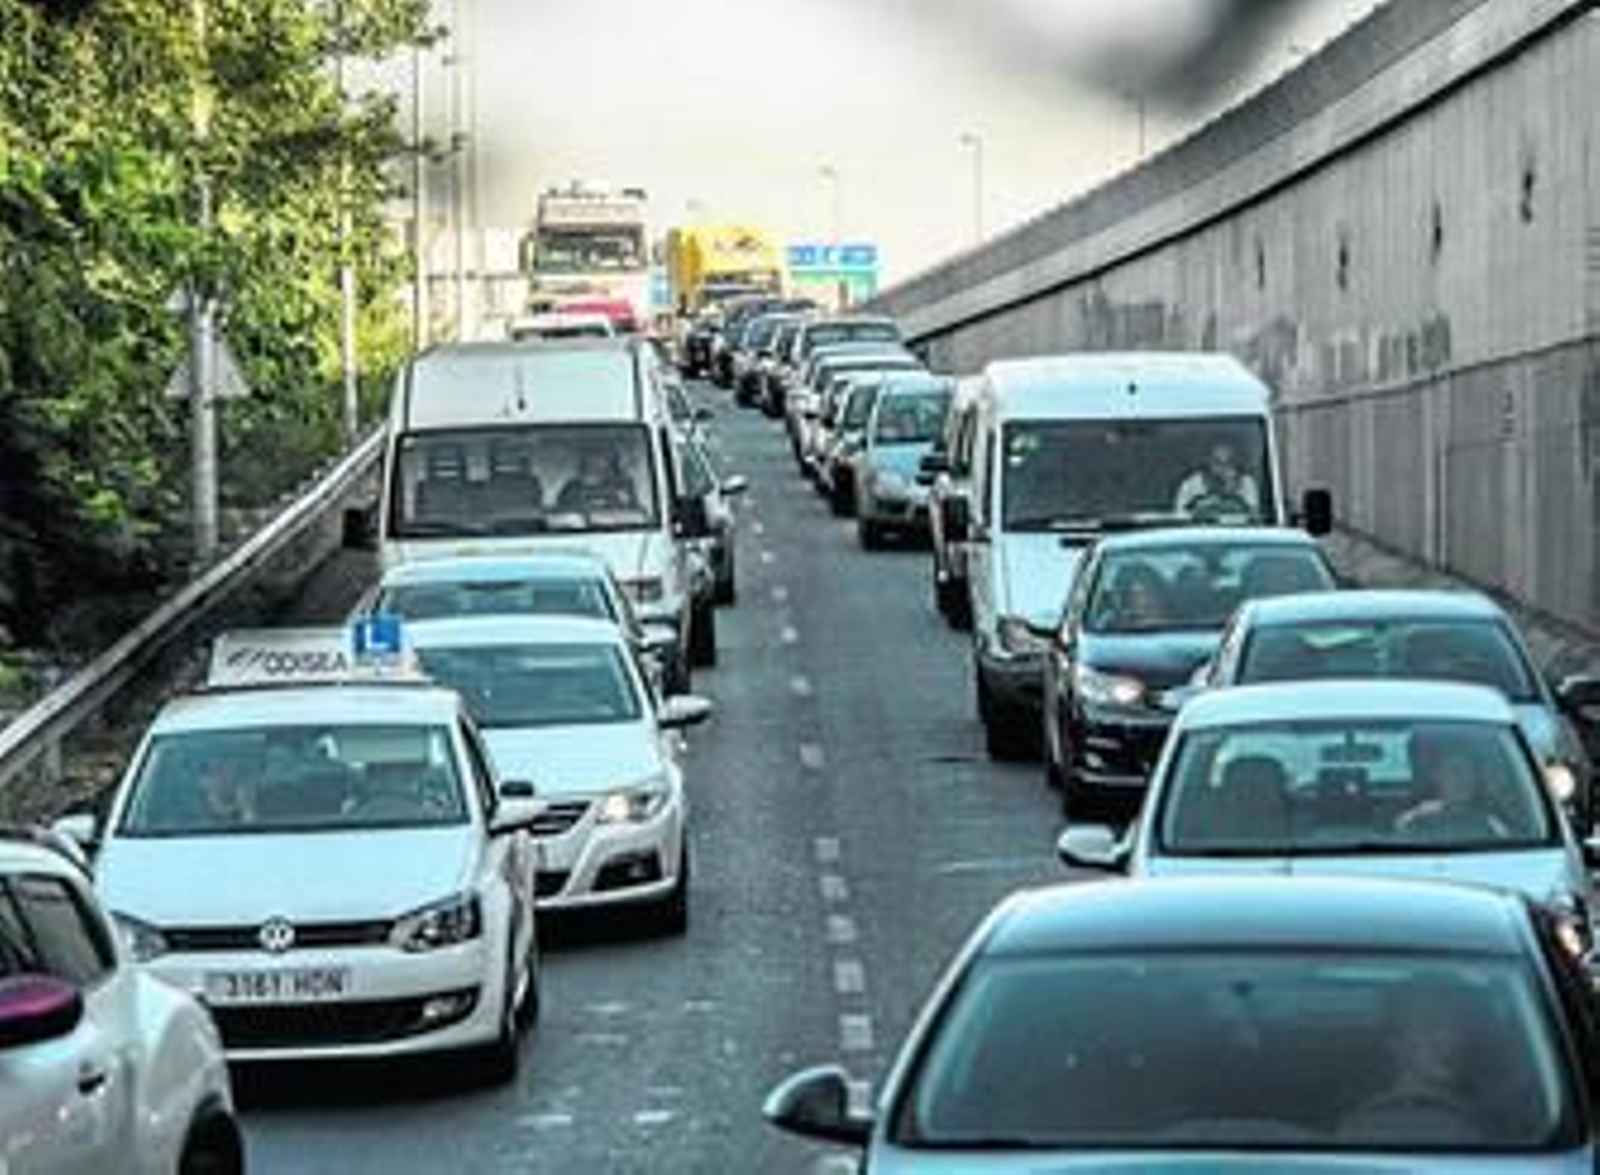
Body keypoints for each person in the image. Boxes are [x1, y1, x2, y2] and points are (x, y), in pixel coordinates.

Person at [1394, 731, 1510, 841]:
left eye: (1468, 772)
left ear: (1475, 778)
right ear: (1437, 776)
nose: (1461, 779)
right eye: (1454, 771)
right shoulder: (1414, 823)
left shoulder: (1491, 827)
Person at [1174, 442, 1261, 521]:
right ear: (1209, 462)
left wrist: (1232, 492)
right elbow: (1181, 517)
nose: (1223, 468)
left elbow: (1254, 516)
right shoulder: (1191, 484)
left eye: (1228, 462)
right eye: (1218, 462)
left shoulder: (1247, 483)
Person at [556, 449, 639, 512]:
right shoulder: (572, 487)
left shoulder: (623, 484)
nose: (597, 465)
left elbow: (633, 512)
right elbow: (563, 512)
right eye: (591, 461)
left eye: (604, 460)